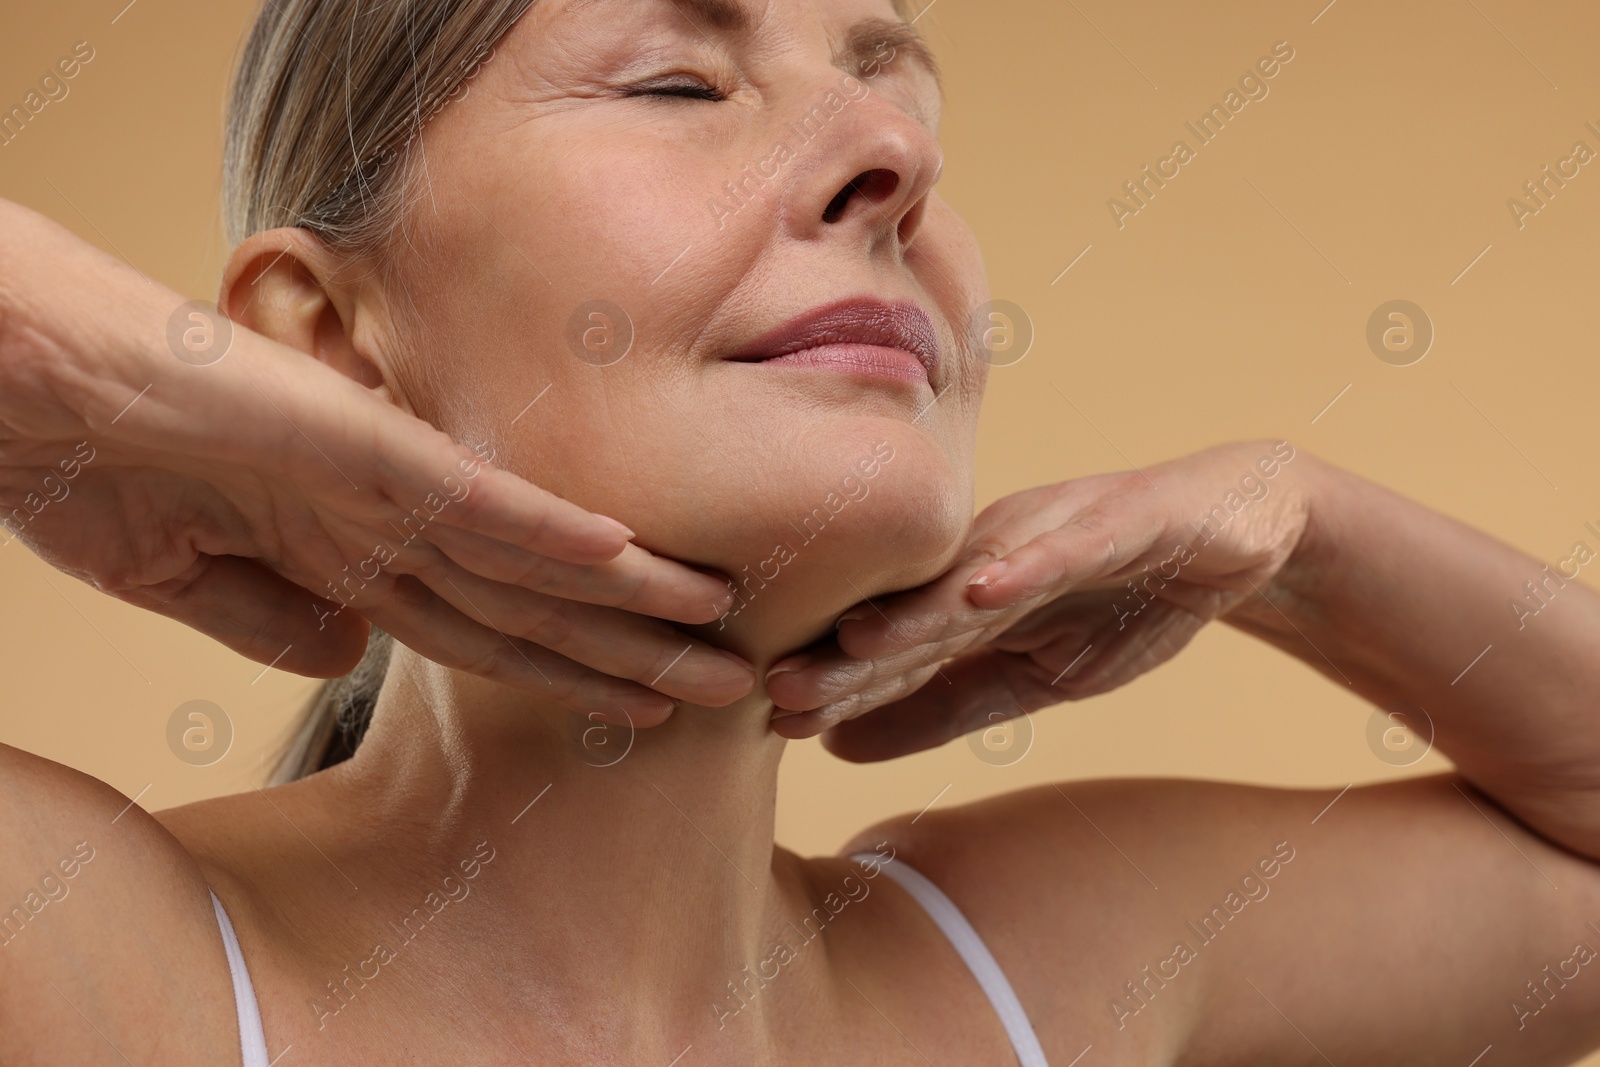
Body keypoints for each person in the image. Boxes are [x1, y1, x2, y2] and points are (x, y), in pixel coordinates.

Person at [2, 0, 1599, 1063]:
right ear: (333, 337)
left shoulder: (1026, 970)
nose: (893, 163)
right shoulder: (92, 961)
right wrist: (75, 366)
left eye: (891, 94)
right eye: (681, 83)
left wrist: (1303, 533)